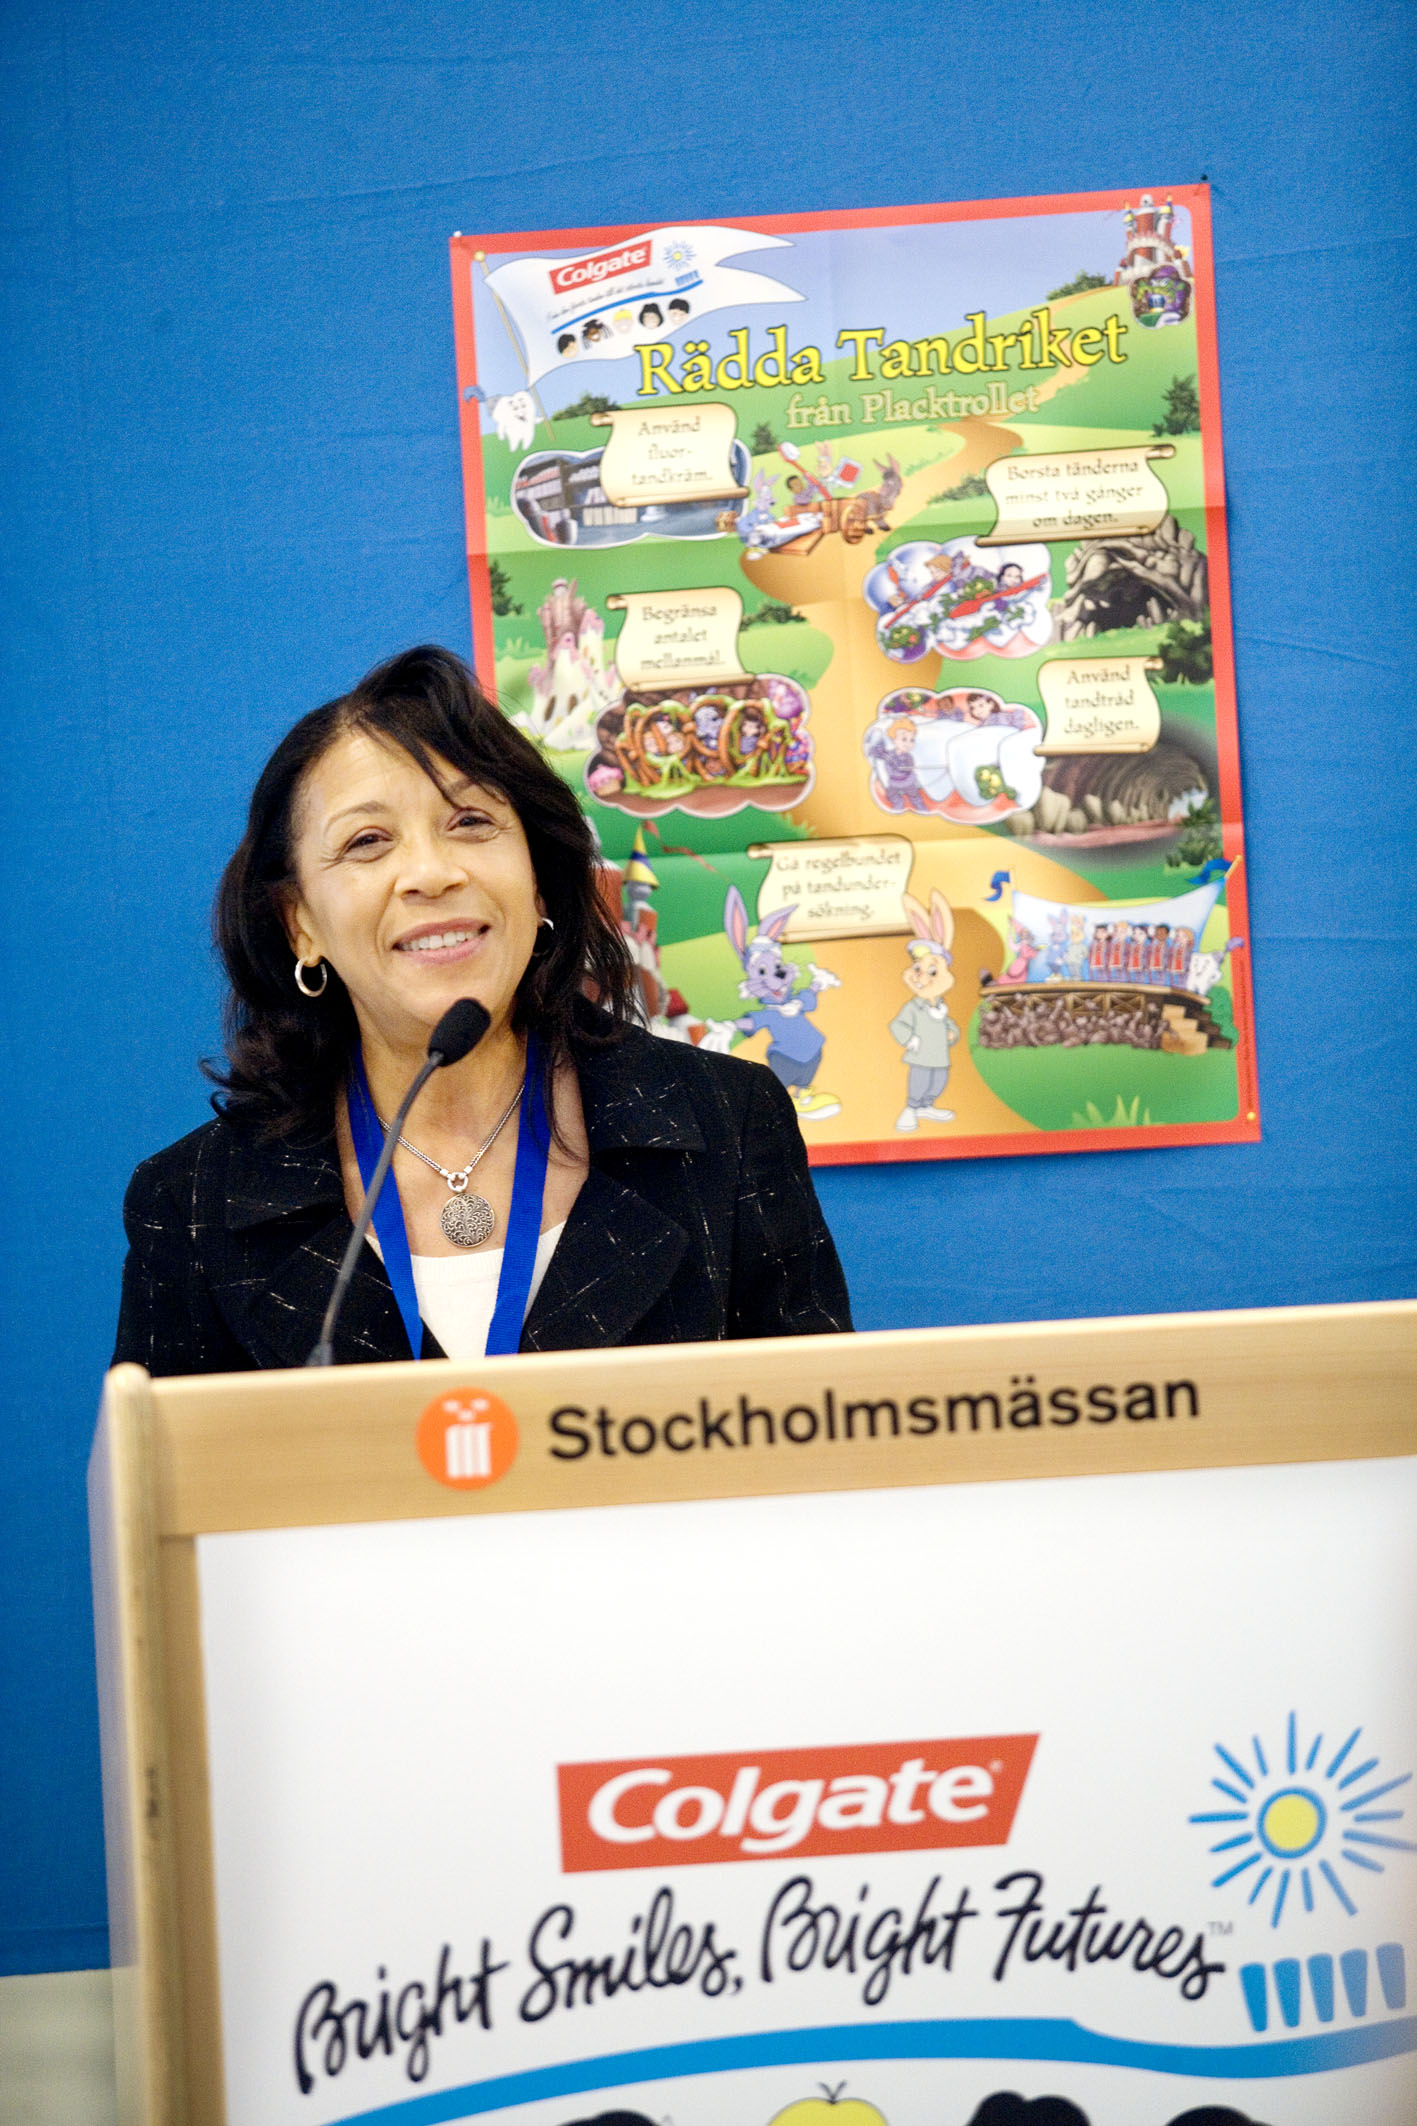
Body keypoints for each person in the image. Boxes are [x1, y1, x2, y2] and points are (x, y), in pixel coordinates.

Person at [112, 647, 851, 1375]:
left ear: (537, 881)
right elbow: (172, 1459)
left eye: (469, 821)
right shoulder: (193, 1203)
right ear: (299, 923)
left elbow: (821, 1436)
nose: (432, 873)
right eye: (367, 842)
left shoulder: (727, 1122)